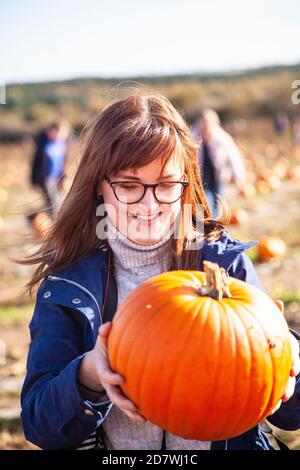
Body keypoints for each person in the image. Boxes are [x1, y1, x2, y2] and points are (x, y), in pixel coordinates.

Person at [20, 94, 300, 450]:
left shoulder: (224, 266)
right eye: (128, 186)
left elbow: (291, 416)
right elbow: (40, 426)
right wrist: (88, 375)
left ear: (186, 183)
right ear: (98, 187)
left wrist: (288, 362)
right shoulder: (68, 285)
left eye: (167, 185)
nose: (150, 205)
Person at [192, 109, 247, 216]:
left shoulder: (222, 138)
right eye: (203, 124)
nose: (206, 128)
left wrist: (239, 178)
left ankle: (214, 228)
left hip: (218, 178)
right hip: (199, 179)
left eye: (208, 125)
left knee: (218, 205)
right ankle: (203, 228)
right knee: (203, 204)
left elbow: (234, 158)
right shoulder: (192, 136)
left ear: (215, 124)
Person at [30, 120, 70, 220]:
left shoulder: (63, 144)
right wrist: (34, 179)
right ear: (52, 131)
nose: (62, 135)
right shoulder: (44, 144)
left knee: (58, 200)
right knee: (52, 201)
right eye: (59, 132)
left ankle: (36, 218)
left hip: (58, 177)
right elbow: (36, 162)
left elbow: (64, 162)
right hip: (46, 178)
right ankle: (54, 223)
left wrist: (64, 177)